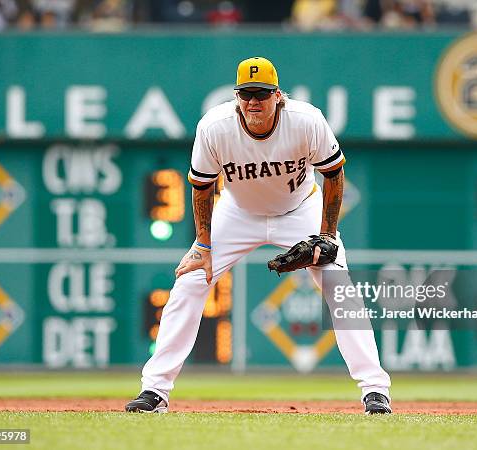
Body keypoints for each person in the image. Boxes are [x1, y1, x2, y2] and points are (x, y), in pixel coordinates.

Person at [125, 56, 391, 415]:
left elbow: (334, 174)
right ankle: (155, 391)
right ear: (237, 96)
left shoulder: (306, 120)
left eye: (261, 94)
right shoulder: (215, 127)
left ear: (278, 96)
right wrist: (203, 245)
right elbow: (201, 187)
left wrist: (327, 235)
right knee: (189, 283)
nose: (253, 101)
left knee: (340, 288)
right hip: (237, 213)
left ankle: (375, 391)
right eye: (246, 93)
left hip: (301, 210)